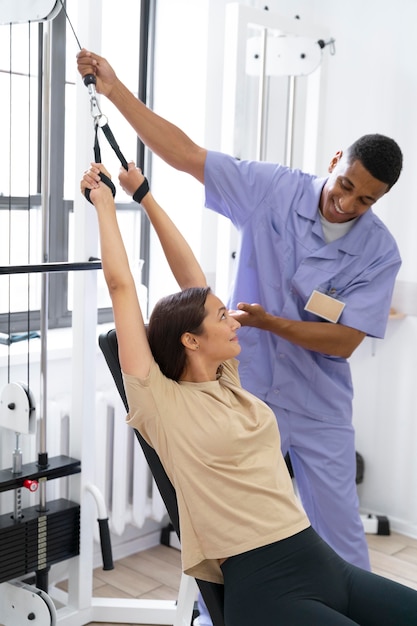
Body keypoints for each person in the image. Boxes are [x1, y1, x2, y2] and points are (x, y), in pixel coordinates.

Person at [77, 51, 403, 624]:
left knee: (345, 543)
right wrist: (113, 102)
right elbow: (124, 284)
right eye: (345, 185)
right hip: (264, 567)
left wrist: (144, 195)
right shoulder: (167, 395)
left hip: (312, 411)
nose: (347, 204)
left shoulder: (228, 373)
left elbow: (195, 283)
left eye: (365, 200)